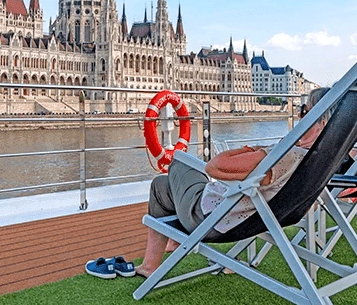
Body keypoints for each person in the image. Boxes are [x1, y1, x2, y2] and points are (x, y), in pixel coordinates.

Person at [136, 87, 329, 278]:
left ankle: (153, 262)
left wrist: (252, 149)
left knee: (178, 163)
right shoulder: (321, 159)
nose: (299, 116)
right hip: (256, 218)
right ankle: (163, 251)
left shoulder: (289, 155)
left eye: (304, 111)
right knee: (163, 185)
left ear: (320, 122)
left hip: (211, 218)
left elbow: (214, 167)